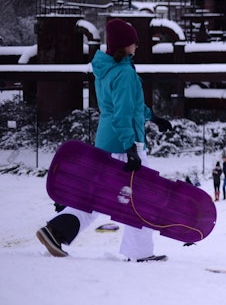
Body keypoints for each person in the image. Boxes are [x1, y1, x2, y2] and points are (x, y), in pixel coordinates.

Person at [36, 18, 172, 261]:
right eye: (133, 43)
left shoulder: (106, 68)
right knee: (140, 198)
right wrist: (130, 148)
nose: (137, 46)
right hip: (124, 144)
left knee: (99, 196)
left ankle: (56, 231)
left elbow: (128, 105)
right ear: (123, 45)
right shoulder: (123, 73)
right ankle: (139, 253)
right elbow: (122, 114)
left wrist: (154, 117)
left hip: (107, 141)